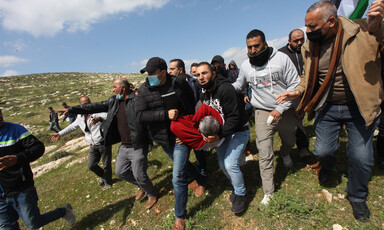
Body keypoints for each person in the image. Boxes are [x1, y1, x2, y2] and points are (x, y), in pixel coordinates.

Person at [276, 0, 384, 222]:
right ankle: (328, 165)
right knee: (323, 151)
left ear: (331, 22)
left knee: (361, 158)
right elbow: (307, 76)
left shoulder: (364, 30)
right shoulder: (310, 45)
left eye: (312, 27)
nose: (307, 31)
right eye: (306, 26)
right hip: (327, 106)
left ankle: (357, 196)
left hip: (360, 108)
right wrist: (297, 91)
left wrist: (378, 28)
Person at [65, 78, 157, 210]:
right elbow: (94, 106)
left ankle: (151, 193)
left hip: (138, 145)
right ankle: (142, 186)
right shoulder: (113, 101)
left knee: (139, 174)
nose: (113, 90)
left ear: (123, 88)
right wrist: (73, 109)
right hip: (124, 146)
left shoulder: (137, 100)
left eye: (115, 87)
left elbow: (149, 114)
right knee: (120, 172)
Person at [136, 57, 206, 230]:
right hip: (162, 139)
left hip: (179, 137)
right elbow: (140, 115)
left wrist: (187, 131)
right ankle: (202, 179)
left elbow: (189, 107)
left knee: (178, 176)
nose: (150, 76)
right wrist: (164, 115)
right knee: (181, 166)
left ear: (164, 71)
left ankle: (179, 217)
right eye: (148, 73)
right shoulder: (144, 90)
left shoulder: (179, 84)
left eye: (153, 73)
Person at [232, 29, 300, 206]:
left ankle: (285, 153)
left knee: (289, 139)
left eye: (256, 46)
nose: (253, 50)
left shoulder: (282, 59)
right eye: (249, 47)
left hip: (284, 110)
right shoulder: (246, 65)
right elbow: (240, 85)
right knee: (264, 152)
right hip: (261, 111)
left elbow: (295, 85)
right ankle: (269, 191)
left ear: (265, 44)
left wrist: (281, 107)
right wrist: (222, 88)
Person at [0, 108, 76, 229]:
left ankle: (64, 211)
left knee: (33, 223)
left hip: (21, 188)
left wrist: (18, 158)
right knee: (6, 227)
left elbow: (38, 148)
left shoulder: (15, 130)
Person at [196, 62, 250, 214]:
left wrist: (218, 135)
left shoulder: (226, 89)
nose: (201, 77)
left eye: (204, 73)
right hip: (222, 133)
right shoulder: (204, 93)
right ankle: (236, 185)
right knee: (222, 163)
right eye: (198, 74)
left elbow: (234, 117)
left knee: (230, 164)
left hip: (239, 130)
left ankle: (241, 193)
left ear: (213, 73)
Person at [51, 96, 112, 190]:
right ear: (80, 105)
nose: (87, 105)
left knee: (106, 164)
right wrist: (60, 133)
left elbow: (108, 115)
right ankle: (103, 176)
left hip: (103, 142)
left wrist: (99, 118)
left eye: (88, 103)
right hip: (92, 144)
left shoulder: (97, 110)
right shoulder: (79, 116)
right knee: (91, 165)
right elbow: (72, 126)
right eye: (84, 104)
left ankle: (108, 182)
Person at [278, 29, 312, 159]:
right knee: (297, 118)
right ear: (289, 41)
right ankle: (303, 147)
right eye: (296, 41)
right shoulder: (281, 54)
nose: (299, 43)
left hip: (307, 89)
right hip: (291, 92)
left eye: (301, 40)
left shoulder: (307, 51)